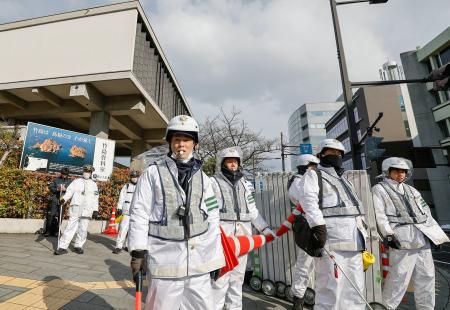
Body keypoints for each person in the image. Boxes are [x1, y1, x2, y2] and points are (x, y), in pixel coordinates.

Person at [127, 115, 225, 310]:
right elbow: (139, 211)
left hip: (199, 264)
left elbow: (213, 217)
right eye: (176, 140)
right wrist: (138, 250)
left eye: (186, 140)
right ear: (170, 142)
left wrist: (216, 258)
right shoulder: (153, 172)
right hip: (165, 263)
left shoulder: (204, 178)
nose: (181, 144)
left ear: (194, 144)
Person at [290, 138, 369, 310]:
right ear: (321, 155)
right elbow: (308, 201)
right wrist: (318, 227)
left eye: (339, 153)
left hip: (355, 242)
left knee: (355, 291)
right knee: (330, 291)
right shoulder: (313, 175)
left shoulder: (345, 180)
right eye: (331, 152)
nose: (336, 156)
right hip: (331, 241)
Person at [372, 157, 449, 310]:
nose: (401, 174)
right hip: (401, 240)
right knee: (398, 279)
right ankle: (386, 307)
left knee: (427, 278)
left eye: (403, 171)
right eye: (397, 171)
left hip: (422, 239)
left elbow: (426, 214)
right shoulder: (379, 189)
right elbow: (379, 215)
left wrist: (437, 237)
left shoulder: (412, 190)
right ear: (387, 172)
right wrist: (388, 234)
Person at [210, 146, 275, 310]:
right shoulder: (213, 182)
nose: (232, 165)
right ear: (222, 163)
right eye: (229, 162)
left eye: (235, 162)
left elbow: (253, 211)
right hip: (222, 237)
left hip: (243, 237)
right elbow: (209, 211)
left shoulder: (246, 185)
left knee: (237, 278)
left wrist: (265, 229)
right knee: (220, 278)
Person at [288, 154, 320, 310]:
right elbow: (304, 200)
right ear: (305, 166)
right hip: (306, 225)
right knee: (305, 263)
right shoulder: (297, 181)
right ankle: (298, 299)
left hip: (318, 224)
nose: (315, 168)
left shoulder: (311, 180)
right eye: (313, 165)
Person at [54, 164, 100, 255]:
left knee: (83, 229)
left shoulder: (94, 184)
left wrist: (95, 210)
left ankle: (78, 246)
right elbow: (69, 192)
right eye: (85, 171)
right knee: (70, 227)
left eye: (88, 172)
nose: (87, 173)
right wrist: (64, 199)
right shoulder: (76, 181)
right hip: (76, 207)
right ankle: (63, 247)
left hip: (87, 209)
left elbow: (96, 198)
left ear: (91, 173)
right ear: (83, 171)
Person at [113, 170, 140, 254]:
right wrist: (119, 208)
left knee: (133, 230)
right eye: (132, 177)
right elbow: (121, 197)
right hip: (126, 211)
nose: (134, 178)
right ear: (130, 177)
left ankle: (128, 246)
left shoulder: (141, 187)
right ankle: (118, 246)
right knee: (123, 229)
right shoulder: (127, 186)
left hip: (136, 212)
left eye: (135, 177)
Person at [45, 167, 72, 237]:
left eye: (66, 174)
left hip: (63, 201)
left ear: (67, 174)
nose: (64, 175)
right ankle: (48, 230)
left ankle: (57, 230)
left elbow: (72, 191)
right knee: (51, 215)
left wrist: (66, 189)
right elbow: (51, 187)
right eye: (63, 174)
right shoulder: (56, 180)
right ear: (61, 173)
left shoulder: (70, 181)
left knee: (60, 216)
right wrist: (57, 189)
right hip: (55, 199)